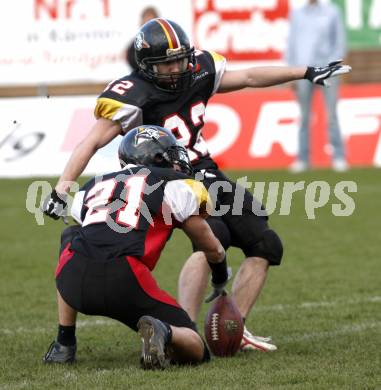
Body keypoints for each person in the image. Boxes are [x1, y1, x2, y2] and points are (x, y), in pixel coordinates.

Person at [43, 18, 351, 352]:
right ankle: (183, 330)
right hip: (167, 179)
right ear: (147, 67)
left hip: (205, 170)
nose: (177, 67)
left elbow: (248, 77)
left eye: (180, 58)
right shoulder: (135, 94)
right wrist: (62, 187)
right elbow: (90, 142)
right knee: (212, 239)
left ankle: (234, 325)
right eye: (167, 62)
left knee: (266, 244)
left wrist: (304, 71)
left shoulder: (200, 69)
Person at [43, 125, 230, 368]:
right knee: (195, 347)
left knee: (71, 238)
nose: (177, 163)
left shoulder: (92, 185)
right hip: (123, 279)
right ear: (156, 156)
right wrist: (220, 273)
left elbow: (90, 231)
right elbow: (209, 245)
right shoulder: (176, 183)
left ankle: (63, 343)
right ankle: (163, 331)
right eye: (171, 156)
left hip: (72, 280)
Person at [286, 0, 348, 172]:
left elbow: (339, 41)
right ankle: (303, 159)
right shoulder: (297, 13)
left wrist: (333, 67)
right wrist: (291, 72)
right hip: (303, 71)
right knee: (304, 117)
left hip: (327, 70)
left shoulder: (332, 11)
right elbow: (291, 44)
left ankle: (339, 157)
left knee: (332, 115)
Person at [126, 6, 159, 71]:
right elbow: (132, 60)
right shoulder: (136, 43)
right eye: (146, 22)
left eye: (150, 22)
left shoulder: (163, 39)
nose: (148, 26)